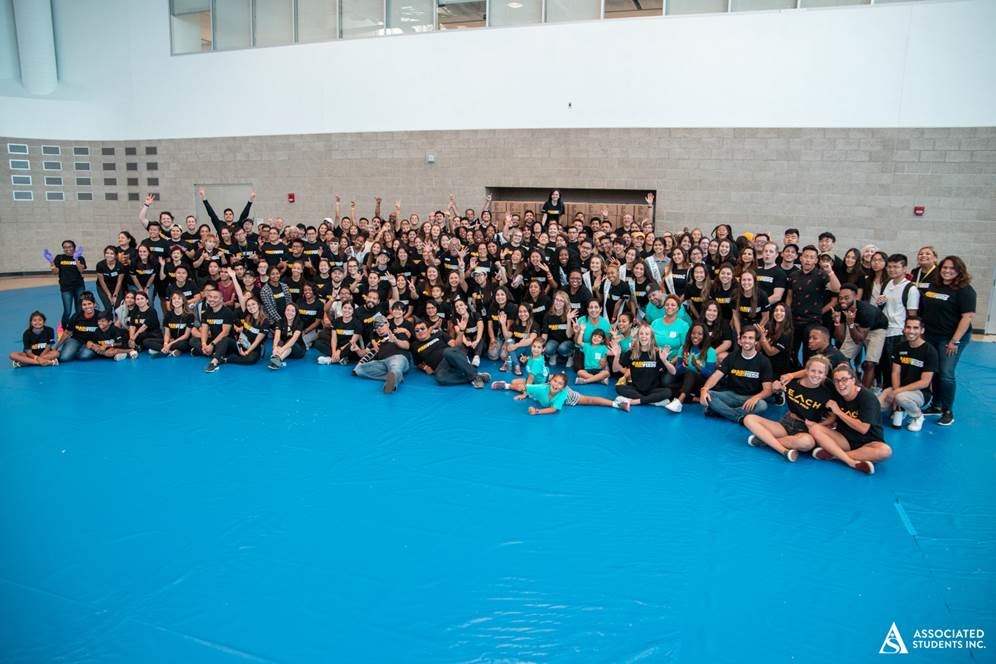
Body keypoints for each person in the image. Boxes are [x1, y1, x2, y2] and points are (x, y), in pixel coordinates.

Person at [917, 256, 975, 426]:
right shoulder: (935, 286)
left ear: (959, 271)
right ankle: (936, 405)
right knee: (933, 370)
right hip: (931, 335)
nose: (947, 271)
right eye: (944, 268)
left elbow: (967, 317)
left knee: (946, 374)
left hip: (951, 338)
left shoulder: (965, 290)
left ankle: (948, 410)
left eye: (952, 269)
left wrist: (954, 341)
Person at [743, 355, 835, 462]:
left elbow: (832, 418)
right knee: (749, 419)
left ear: (825, 375)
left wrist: (818, 426)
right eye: (813, 371)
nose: (816, 375)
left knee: (807, 443)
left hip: (806, 429)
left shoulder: (827, 391)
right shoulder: (791, 382)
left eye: (820, 372)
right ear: (806, 371)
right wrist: (775, 388)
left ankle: (764, 440)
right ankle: (783, 450)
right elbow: (776, 388)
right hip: (787, 423)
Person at [809, 364, 892, 475]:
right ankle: (851, 459)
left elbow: (863, 428)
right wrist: (821, 424)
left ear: (853, 380)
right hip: (845, 440)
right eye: (837, 381)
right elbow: (813, 373)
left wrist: (838, 411)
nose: (840, 384)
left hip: (869, 443)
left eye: (844, 380)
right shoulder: (838, 393)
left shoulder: (868, 398)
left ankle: (834, 455)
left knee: (885, 451)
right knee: (814, 428)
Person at [699, 327, 773, 424]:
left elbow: (768, 390)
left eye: (750, 338)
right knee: (709, 394)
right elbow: (716, 376)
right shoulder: (732, 357)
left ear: (755, 342)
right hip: (731, 395)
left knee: (762, 405)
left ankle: (720, 411)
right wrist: (704, 389)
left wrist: (756, 398)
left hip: (750, 397)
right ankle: (738, 417)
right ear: (740, 340)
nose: (747, 341)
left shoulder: (763, 361)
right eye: (744, 337)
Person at [879, 316, 937, 432]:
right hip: (900, 389)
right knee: (878, 405)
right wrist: (895, 391)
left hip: (920, 393)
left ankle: (917, 416)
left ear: (922, 330)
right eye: (908, 327)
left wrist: (897, 393)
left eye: (915, 328)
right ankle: (902, 408)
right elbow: (895, 373)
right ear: (904, 329)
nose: (911, 331)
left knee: (901, 398)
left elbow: (925, 382)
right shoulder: (900, 347)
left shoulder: (930, 351)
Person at [832, 283, 888, 388]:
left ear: (855, 297)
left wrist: (851, 325)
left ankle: (865, 393)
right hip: (855, 326)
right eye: (840, 298)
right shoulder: (839, 309)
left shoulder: (867, 311)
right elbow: (840, 337)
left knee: (869, 364)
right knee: (842, 360)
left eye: (846, 298)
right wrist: (837, 322)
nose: (843, 301)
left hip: (876, 329)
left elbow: (859, 340)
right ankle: (851, 385)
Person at [411, 320, 491, 388]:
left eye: (422, 328)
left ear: (428, 329)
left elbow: (456, 346)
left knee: (448, 352)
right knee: (440, 379)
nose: (420, 331)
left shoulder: (439, 334)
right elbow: (417, 363)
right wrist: (424, 367)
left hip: (452, 357)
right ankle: (475, 377)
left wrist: (460, 332)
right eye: (417, 330)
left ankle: (473, 375)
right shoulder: (415, 345)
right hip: (440, 367)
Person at [612, 324, 672, 407]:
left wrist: (665, 361)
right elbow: (615, 369)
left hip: (653, 390)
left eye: (647, 334)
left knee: (668, 392)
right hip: (636, 389)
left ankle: (635, 401)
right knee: (618, 387)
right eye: (641, 334)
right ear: (638, 336)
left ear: (651, 337)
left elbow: (673, 371)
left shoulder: (657, 353)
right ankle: (652, 401)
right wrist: (617, 356)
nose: (644, 336)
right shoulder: (631, 352)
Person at [663, 322, 716, 414]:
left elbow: (711, 375)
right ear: (690, 334)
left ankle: (679, 401)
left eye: (699, 334)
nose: (695, 336)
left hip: (701, 384)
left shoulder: (710, 351)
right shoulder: (684, 348)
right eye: (693, 333)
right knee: (667, 389)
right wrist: (684, 365)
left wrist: (698, 366)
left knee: (690, 373)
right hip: (686, 384)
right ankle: (696, 399)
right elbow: (677, 372)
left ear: (704, 336)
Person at [353, 314, 412, 394]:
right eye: (376, 327)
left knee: (395, 366)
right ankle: (395, 376)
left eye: (381, 325)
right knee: (359, 370)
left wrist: (396, 341)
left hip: (397, 358)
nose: (379, 328)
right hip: (382, 362)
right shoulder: (374, 341)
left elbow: (407, 346)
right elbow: (363, 353)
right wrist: (357, 349)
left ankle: (390, 383)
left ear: (387, 324)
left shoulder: (397, 333)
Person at [46, 240, 87, 329]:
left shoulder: (80, 258)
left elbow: (81, 270)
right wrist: (51, 261)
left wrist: (76, 258)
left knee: (79, 309)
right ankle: (64, 329)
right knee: (67, 311)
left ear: (74, 247)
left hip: (79, 286)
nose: (67, 249)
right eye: (65, 247)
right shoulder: (60, 258)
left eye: (70, 247)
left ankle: (79, 327)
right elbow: (55, 272)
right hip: (66, 288)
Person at [196, 290, 237, 373]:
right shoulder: (206, 312)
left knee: (224, 340)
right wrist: (204, 344)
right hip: (214, 341)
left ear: (221, 299)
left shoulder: (227, 312)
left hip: (227, 343)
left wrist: (211, 345)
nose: (212, 299)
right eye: (210, 297)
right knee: (193, 340)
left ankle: (214, 362)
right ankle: (213, 352)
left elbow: (225, 332)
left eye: (215, 297)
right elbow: (204, 329)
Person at [56, 292, 100, 362]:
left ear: (94, 304)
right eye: (84, 305)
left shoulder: (100, 316)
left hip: (92, 342)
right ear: (81, 306)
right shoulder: (76, 316)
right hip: (76, 339)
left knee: (84, 356)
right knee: (64, 358)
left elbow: (105, 333)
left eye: (89, 304)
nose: (87, 307)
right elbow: (67, 333)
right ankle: (69, 347)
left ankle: (77, 350)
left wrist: (96, 344)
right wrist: (56, 347)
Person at [268, 303, 307, 370]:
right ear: (285, 311)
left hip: (297, 349)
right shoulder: (280, 321)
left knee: (290, 343)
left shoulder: (300, 323)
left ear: (296, 313)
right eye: (288, 310)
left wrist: (281, 350)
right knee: (279, 341)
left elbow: (293, 339)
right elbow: (277, 336)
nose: (289, 312)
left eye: (292, 311)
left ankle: (277, 359)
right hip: (285, 351)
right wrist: (274, 347)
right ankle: (277, 360)